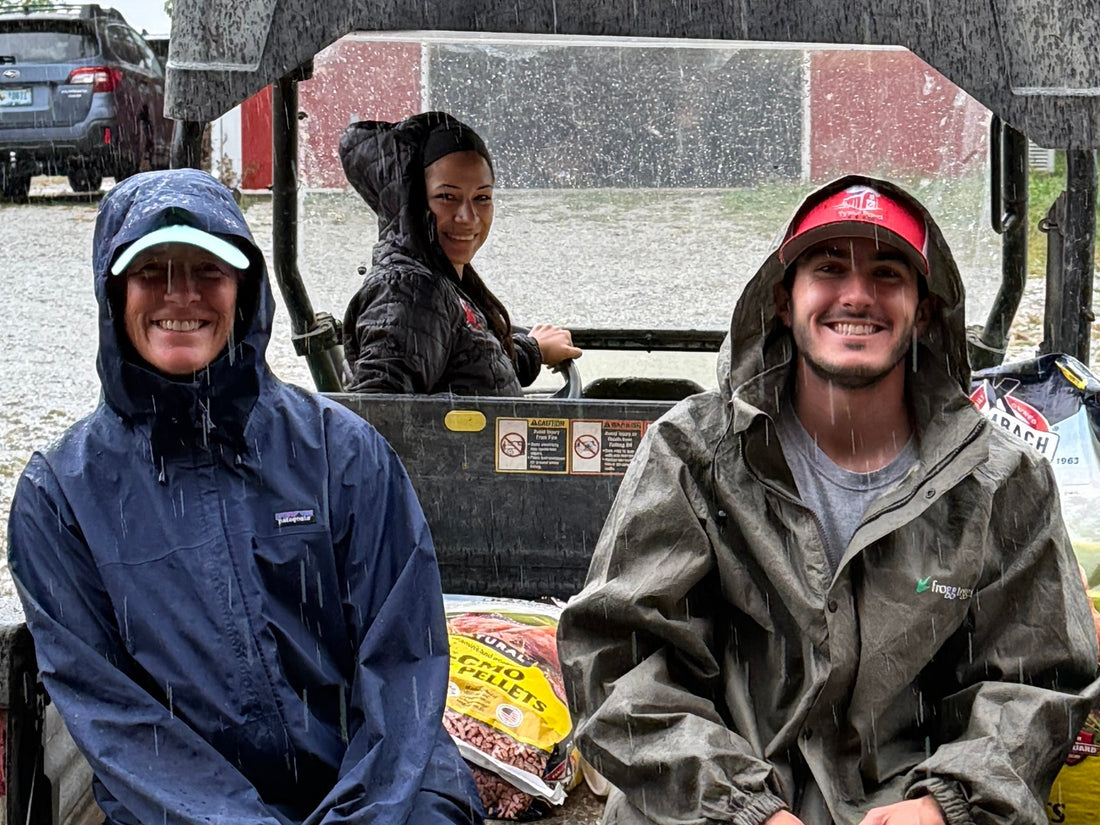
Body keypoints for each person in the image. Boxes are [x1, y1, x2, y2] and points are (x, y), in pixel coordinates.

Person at [557, 175, 1100, 825]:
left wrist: (945, 801)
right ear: (784, 301)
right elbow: (621, 663)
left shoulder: (1002, 481)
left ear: (925, 308)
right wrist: (744, 807)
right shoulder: (691, 454)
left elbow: (1038, 679)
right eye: (829, 267)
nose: (856, 295)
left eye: (888, 272)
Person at [7, 169, 483, 825]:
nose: (181, 295)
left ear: (245, 289)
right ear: (113, 294)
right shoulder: (57, 497)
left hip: (385, 791)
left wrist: (366, 813)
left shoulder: (344, 453)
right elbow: (118, 720)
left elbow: (404, 666)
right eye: (152, 272)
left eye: (207, 269)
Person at [340, 110, 581, 395]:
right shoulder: (410, 292)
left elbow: (467, 365)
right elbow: (378, 414)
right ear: (412, 204)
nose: (468, 217)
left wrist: (532, 351)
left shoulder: (437, 282)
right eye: (447, 197)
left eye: (482, 198)